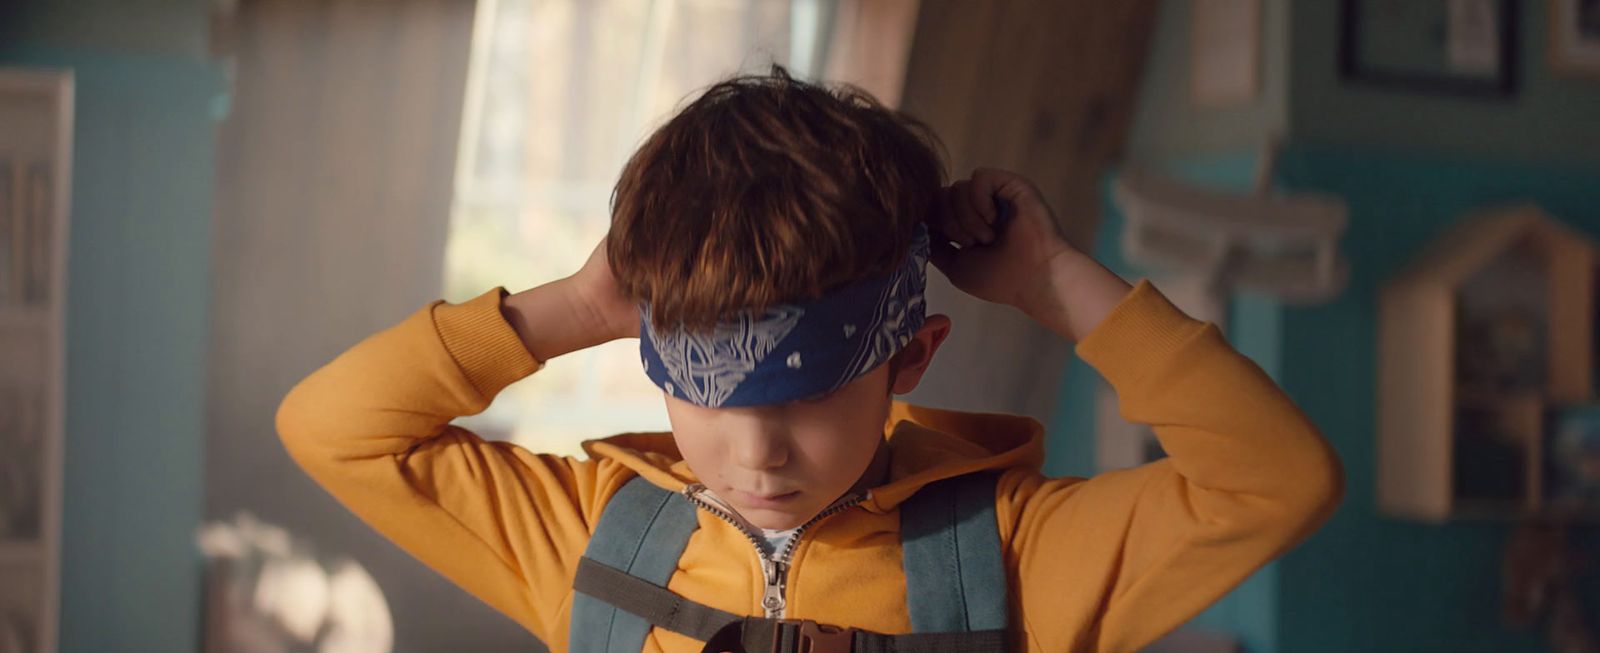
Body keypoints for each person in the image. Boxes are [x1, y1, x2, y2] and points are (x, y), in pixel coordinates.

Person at [276, 68, 1342, 652]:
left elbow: (1277, 479)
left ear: (910, 357)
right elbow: (332, 431)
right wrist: (574, 306)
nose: (755, 451)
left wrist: (1053, 281)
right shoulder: (588, 541)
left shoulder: (1011, 561)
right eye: (699, 388)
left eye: (810, 391)